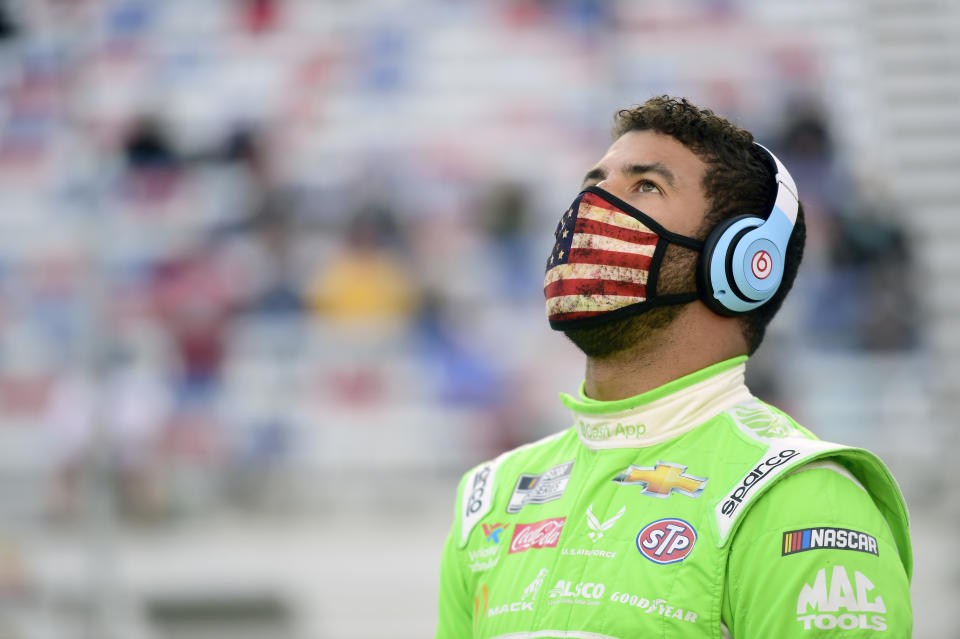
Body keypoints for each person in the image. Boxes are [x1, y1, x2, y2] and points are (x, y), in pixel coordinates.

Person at [435, 96, 912, 638]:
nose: (590, 206)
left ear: (742, 263)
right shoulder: (489, 497)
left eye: (645, 186)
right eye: (591, 184)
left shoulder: (797, 498)